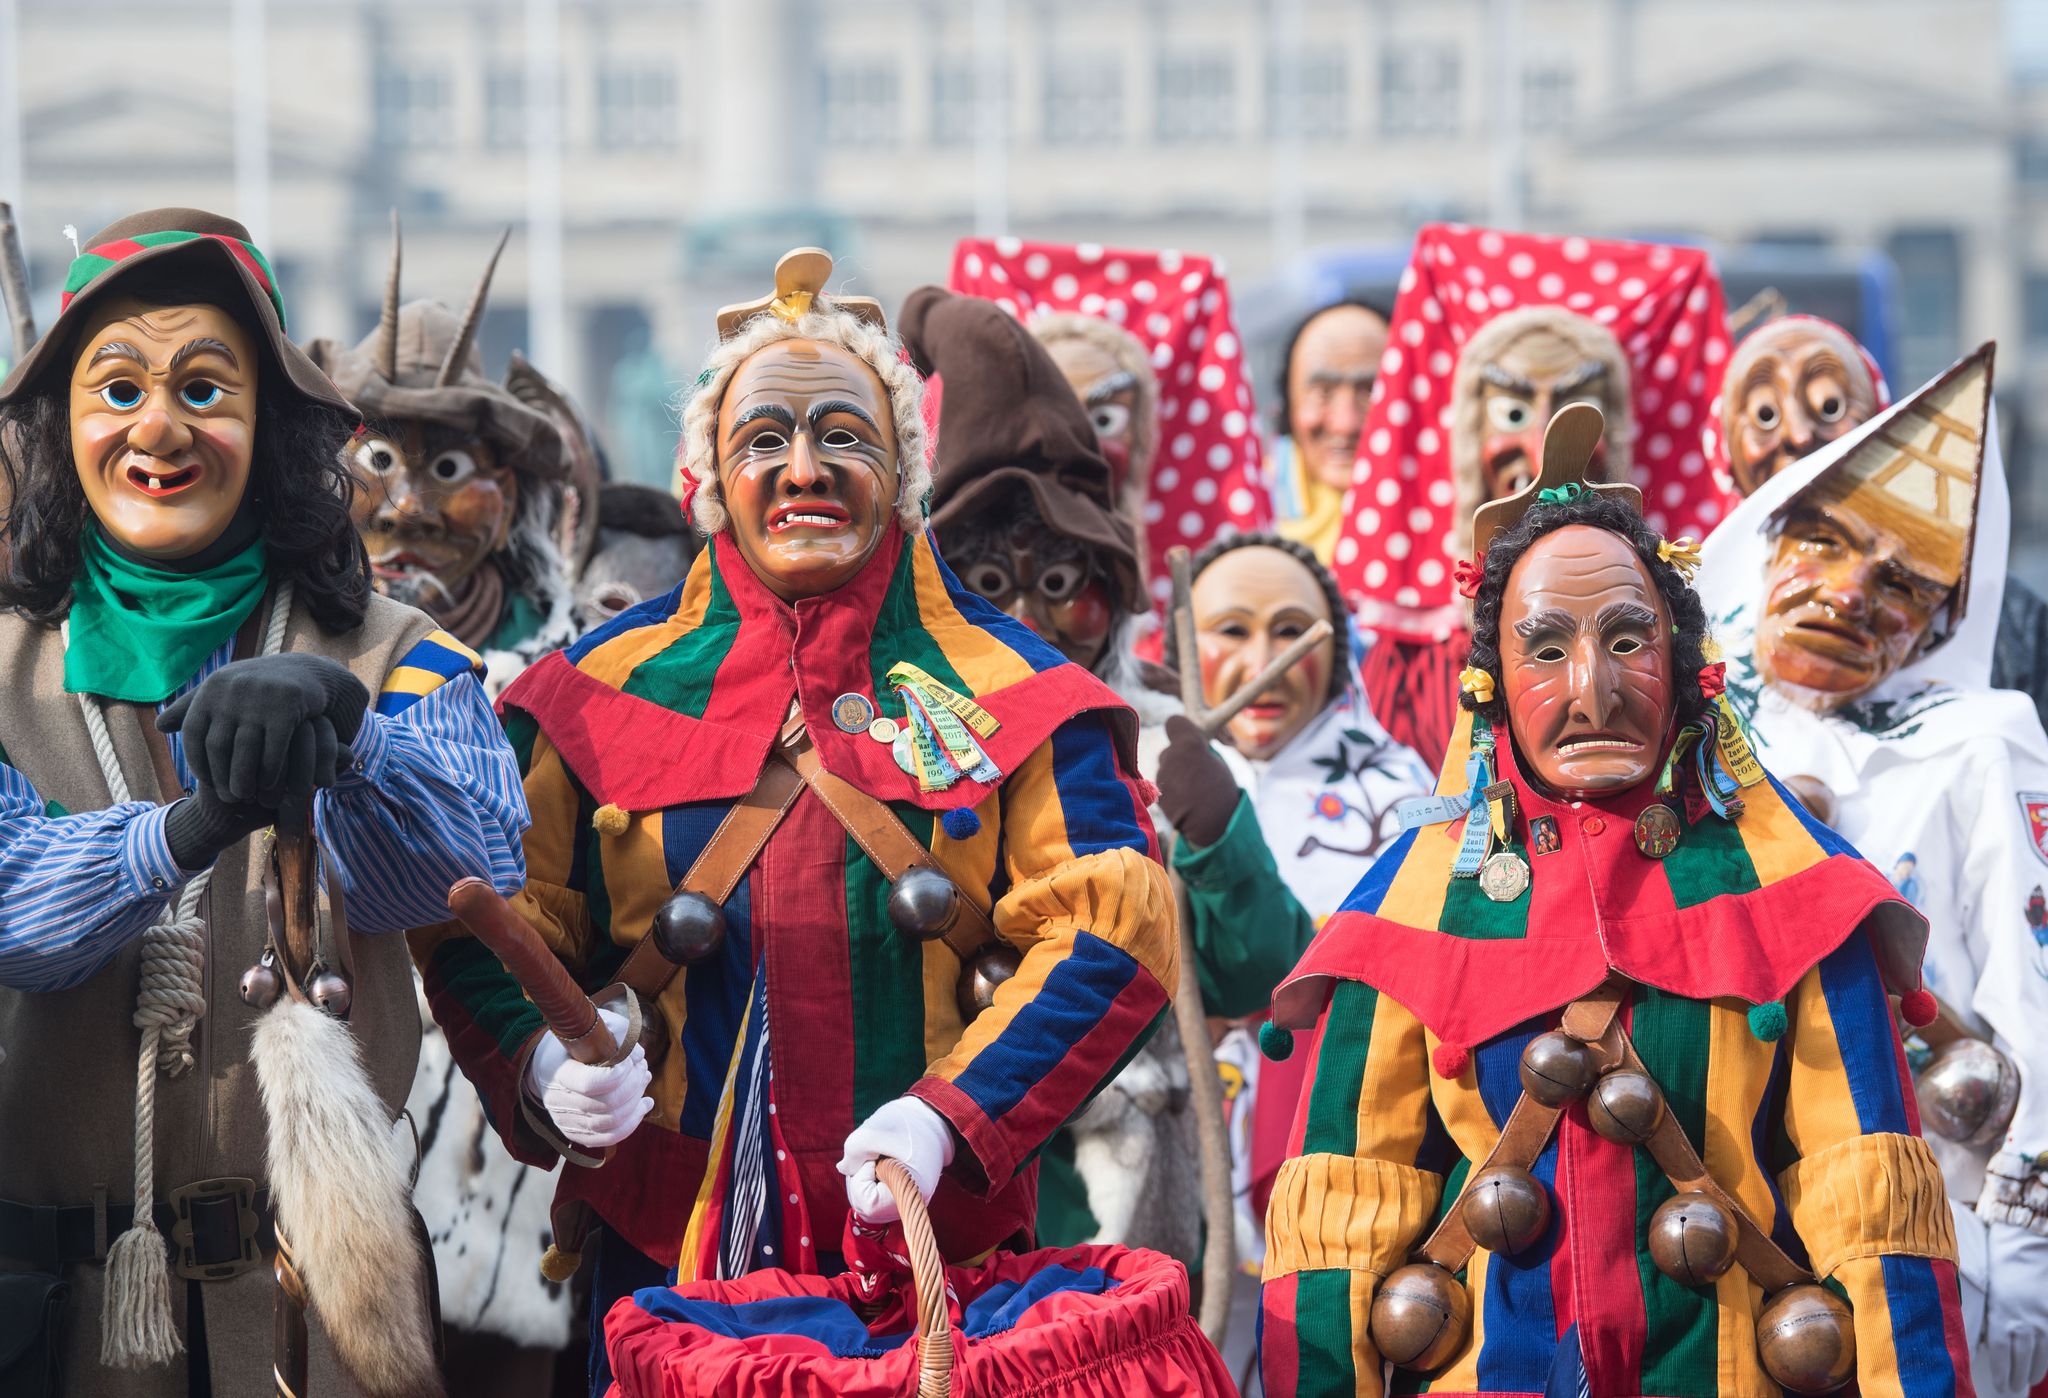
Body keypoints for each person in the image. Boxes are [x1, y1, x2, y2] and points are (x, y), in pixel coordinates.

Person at [413, 249, 1177, 1398]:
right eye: (764, 439)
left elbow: (1113, 932)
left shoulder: (1026, 694)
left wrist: (947, 1119)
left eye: (844, 436)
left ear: (904, 472)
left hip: (944, 1272)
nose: (804, 468)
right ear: (710, 476)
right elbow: (483, 919)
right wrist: (533, 1066)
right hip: (663, 1275)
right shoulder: (579, 699)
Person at [1258, 411, 1971, 1397]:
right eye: (1544, 651)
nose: (1590, 692)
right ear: (1490, 686)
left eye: (1626, 639)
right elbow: (1336, 1234)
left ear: (1682, 667)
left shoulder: (1786, 885)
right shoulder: (1413, 904)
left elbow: (1872, 1212)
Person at [0, 207, 527, 1396]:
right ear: (59, 428)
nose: (158, 427)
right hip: (59, 1322)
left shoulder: (401, 649)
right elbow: (14, 920)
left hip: (311, 1317)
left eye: (202, 386)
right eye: (117, 385)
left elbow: (474, 862)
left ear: (273, 425)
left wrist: (351, 737)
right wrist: (192, 826)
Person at [1699, 343, 2048, 1398]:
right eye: (1821, 542)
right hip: (1710, 1221)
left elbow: (2033, 995)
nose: (1849, 594)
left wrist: (2012, 1261)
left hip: (1928, 1237)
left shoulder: (1983, 742)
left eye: (1897, 581)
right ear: (1763, 551)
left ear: (1942, 621)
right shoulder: (1680, 728)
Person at [1330, 225, 1734, 772]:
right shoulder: (1410, 666)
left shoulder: (1685, 637)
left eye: (1575, 411)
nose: (1542, 442)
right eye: (1514, 413)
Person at [1158, 533, 1435, 1264]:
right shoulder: (1126, 775)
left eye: (1289, 632)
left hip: (1327, 1156)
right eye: (1231, 632)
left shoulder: (1402, 797)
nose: (1262, 666)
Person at [1715, 312, 2048, 734]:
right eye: (1765, 414)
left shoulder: (2003, 619)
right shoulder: (1687, 598)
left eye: (1829, 406)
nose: (1799, 435)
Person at [308, 222, 599, 696]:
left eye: (449, 470)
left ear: (505, 499)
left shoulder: (583, 663)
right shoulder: (275, 644)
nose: (407, 509)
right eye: (379, 462)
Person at [1267, 301, 1388, 565]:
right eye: (1323, 392)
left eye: (1371, 391)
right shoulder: (1253, 506)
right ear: (1288, 405)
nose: (1345, 424)